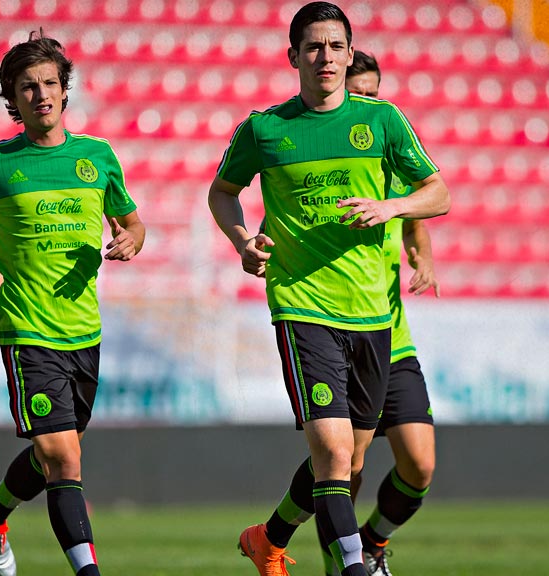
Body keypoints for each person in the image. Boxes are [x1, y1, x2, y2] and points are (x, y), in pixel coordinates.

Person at [207, 3, 449, 576]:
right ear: (293, 56)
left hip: (372, 317)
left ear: (348, 52)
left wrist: (391, 207)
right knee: (335, 455)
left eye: (335, 46)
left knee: (352, 459)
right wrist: (243, 240)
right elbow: (222, 192)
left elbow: (438, 193)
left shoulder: (383, 122)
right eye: (313, 47)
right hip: (301, 305)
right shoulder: (264, 128)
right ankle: (354, 565)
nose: (326, 57)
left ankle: (268, 538)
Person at [0, 30, 146, 576]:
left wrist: (131, 239)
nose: (41, 94)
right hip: (27, 328)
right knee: (63, 457)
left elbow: (133, 221)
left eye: (50, 83)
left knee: (52, 454)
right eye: (28, 86)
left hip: (85, 330)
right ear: (13, 98)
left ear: (64, 90)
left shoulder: (97, 158)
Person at [314, 50, 442, 576]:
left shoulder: (391, 161)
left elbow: (417, 212)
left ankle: (371, 542)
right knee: (351, 463)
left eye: (371, 93)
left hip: (395, 338)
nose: (365, 102)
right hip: (344, 332)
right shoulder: (336, 167)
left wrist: (425, 257)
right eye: (356, 91)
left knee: (420, 465)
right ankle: (338, 559)